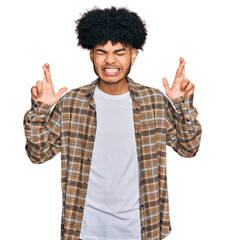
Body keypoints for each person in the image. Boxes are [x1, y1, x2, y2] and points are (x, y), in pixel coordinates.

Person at [23, 6, 202, 240]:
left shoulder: (154, 101)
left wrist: (182, 105)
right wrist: (41, 110)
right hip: (85, 230)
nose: (110, 60)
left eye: (119, 52)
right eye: (101, 51)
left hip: (140, 229)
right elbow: (38, 155)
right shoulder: (72, 103)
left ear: (133, 55)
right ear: (91, 55)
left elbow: (189, 148)